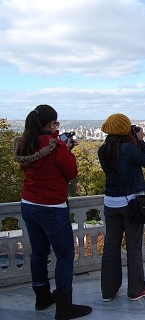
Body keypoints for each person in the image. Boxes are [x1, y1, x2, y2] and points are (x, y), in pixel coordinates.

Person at [13, 105, 92, 319]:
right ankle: (64, 308)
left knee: (39, 252)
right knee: (64, 255)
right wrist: (66, 149)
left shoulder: (25, 144)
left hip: (28, 204)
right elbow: (71, 172)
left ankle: (42, 298)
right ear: (51, 124)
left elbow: (28, 167)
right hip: (51, 207)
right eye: (56, 123)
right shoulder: (55, 146)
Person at [98, 114, 145, 302]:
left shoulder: (102, 150)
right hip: (131, 204)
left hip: (110, 203)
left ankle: (108, 291)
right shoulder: (129, 148)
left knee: (111, 247)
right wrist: (140, 141)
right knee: (133, 247)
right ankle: (136, 289)